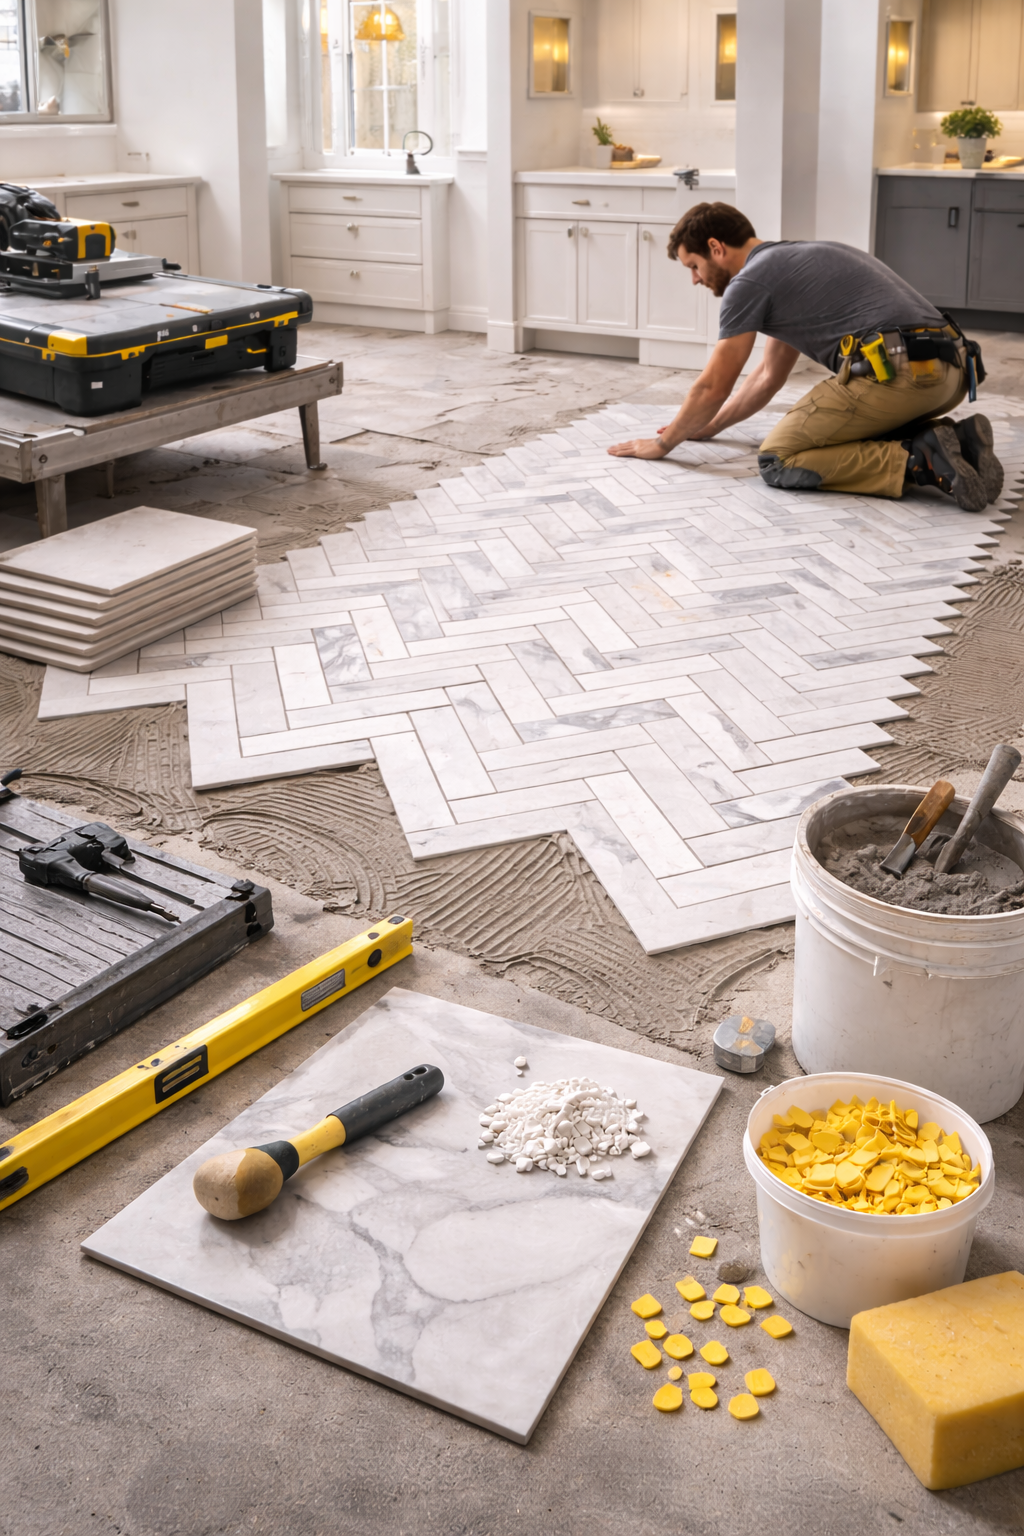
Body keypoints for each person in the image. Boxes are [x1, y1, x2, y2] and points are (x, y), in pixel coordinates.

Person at [608, 202, 1002, 512]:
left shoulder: (747, 284)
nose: (694, 279)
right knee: (843, 429)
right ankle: (958, 442)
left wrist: (663, 445)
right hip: (953, 374)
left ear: (715, 248)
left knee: (779, 460)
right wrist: (709, 427)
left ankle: (921, 459)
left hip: (902, 377)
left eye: (693, 266)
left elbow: (714, 385)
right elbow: (767, 376)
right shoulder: (797, 262)